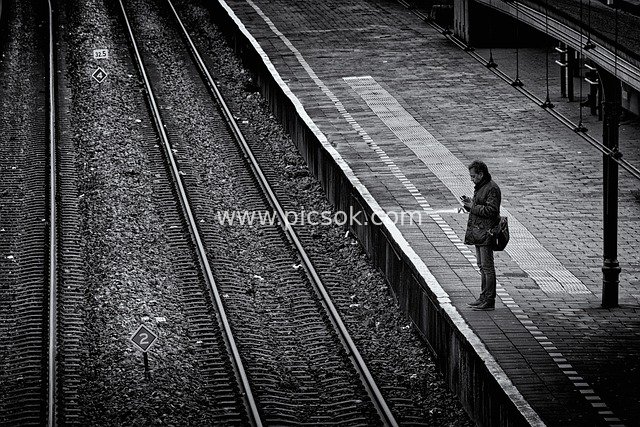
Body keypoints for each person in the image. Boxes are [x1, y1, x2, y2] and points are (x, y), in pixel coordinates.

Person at [460, 160, 501, 311]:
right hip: (479, 232)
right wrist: (469, 203)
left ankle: (489, 300)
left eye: (473, 176)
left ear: (481, 174)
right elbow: (480, 207)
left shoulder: (492, 189)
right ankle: (483, 297)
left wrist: (473, 206)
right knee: (482, 266)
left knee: (487, 267)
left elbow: (491, 211)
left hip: (486, 232)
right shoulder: (482, 187)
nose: (471, 179)